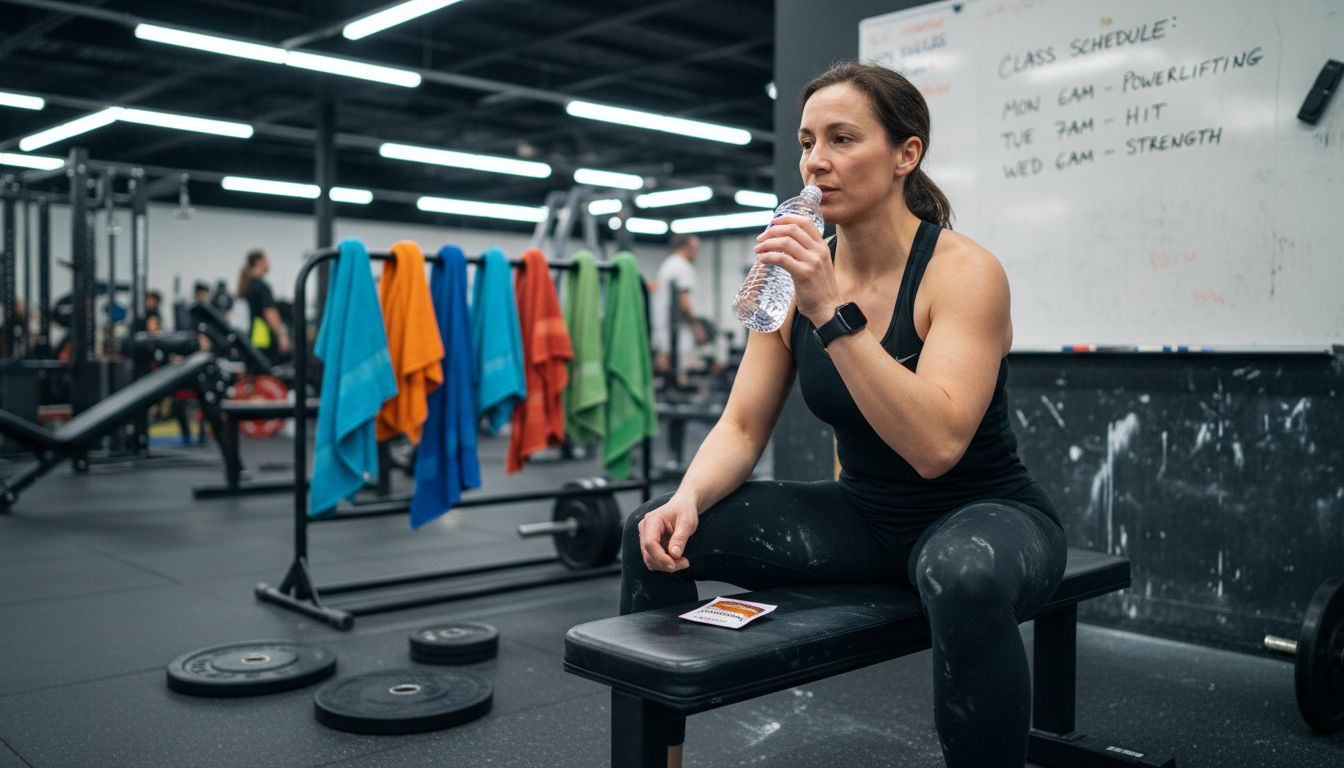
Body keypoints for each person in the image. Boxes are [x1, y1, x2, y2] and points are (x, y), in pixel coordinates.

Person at [621, 61, 1068, 768]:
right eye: (807, 143)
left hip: (983, 515)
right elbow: (742, 426)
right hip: (864, 517)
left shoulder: (963, 273)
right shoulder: (790, 279)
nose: (815, 161)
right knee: (658, 527)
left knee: (965, 575)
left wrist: (830, 311)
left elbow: (936, 447)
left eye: (842, 139)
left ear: (905, 154)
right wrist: (688, 496)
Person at [650, 234, 709, 389]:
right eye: (696, 249)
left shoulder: (668, 264)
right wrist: (697, 327)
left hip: (664, 328)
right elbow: (684, 301)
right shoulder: (683, 267)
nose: (697, 254)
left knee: (668, 369)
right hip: (679, 329)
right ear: (687, 248)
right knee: (680, 373)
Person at [237, 248, 290, 364]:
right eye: (266, 260)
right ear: (259, 262)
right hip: (263, 339)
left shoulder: (248, 284)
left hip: (252, 337)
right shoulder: (261, 286)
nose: (269, 263)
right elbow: (270, 313)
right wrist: (282, 335)